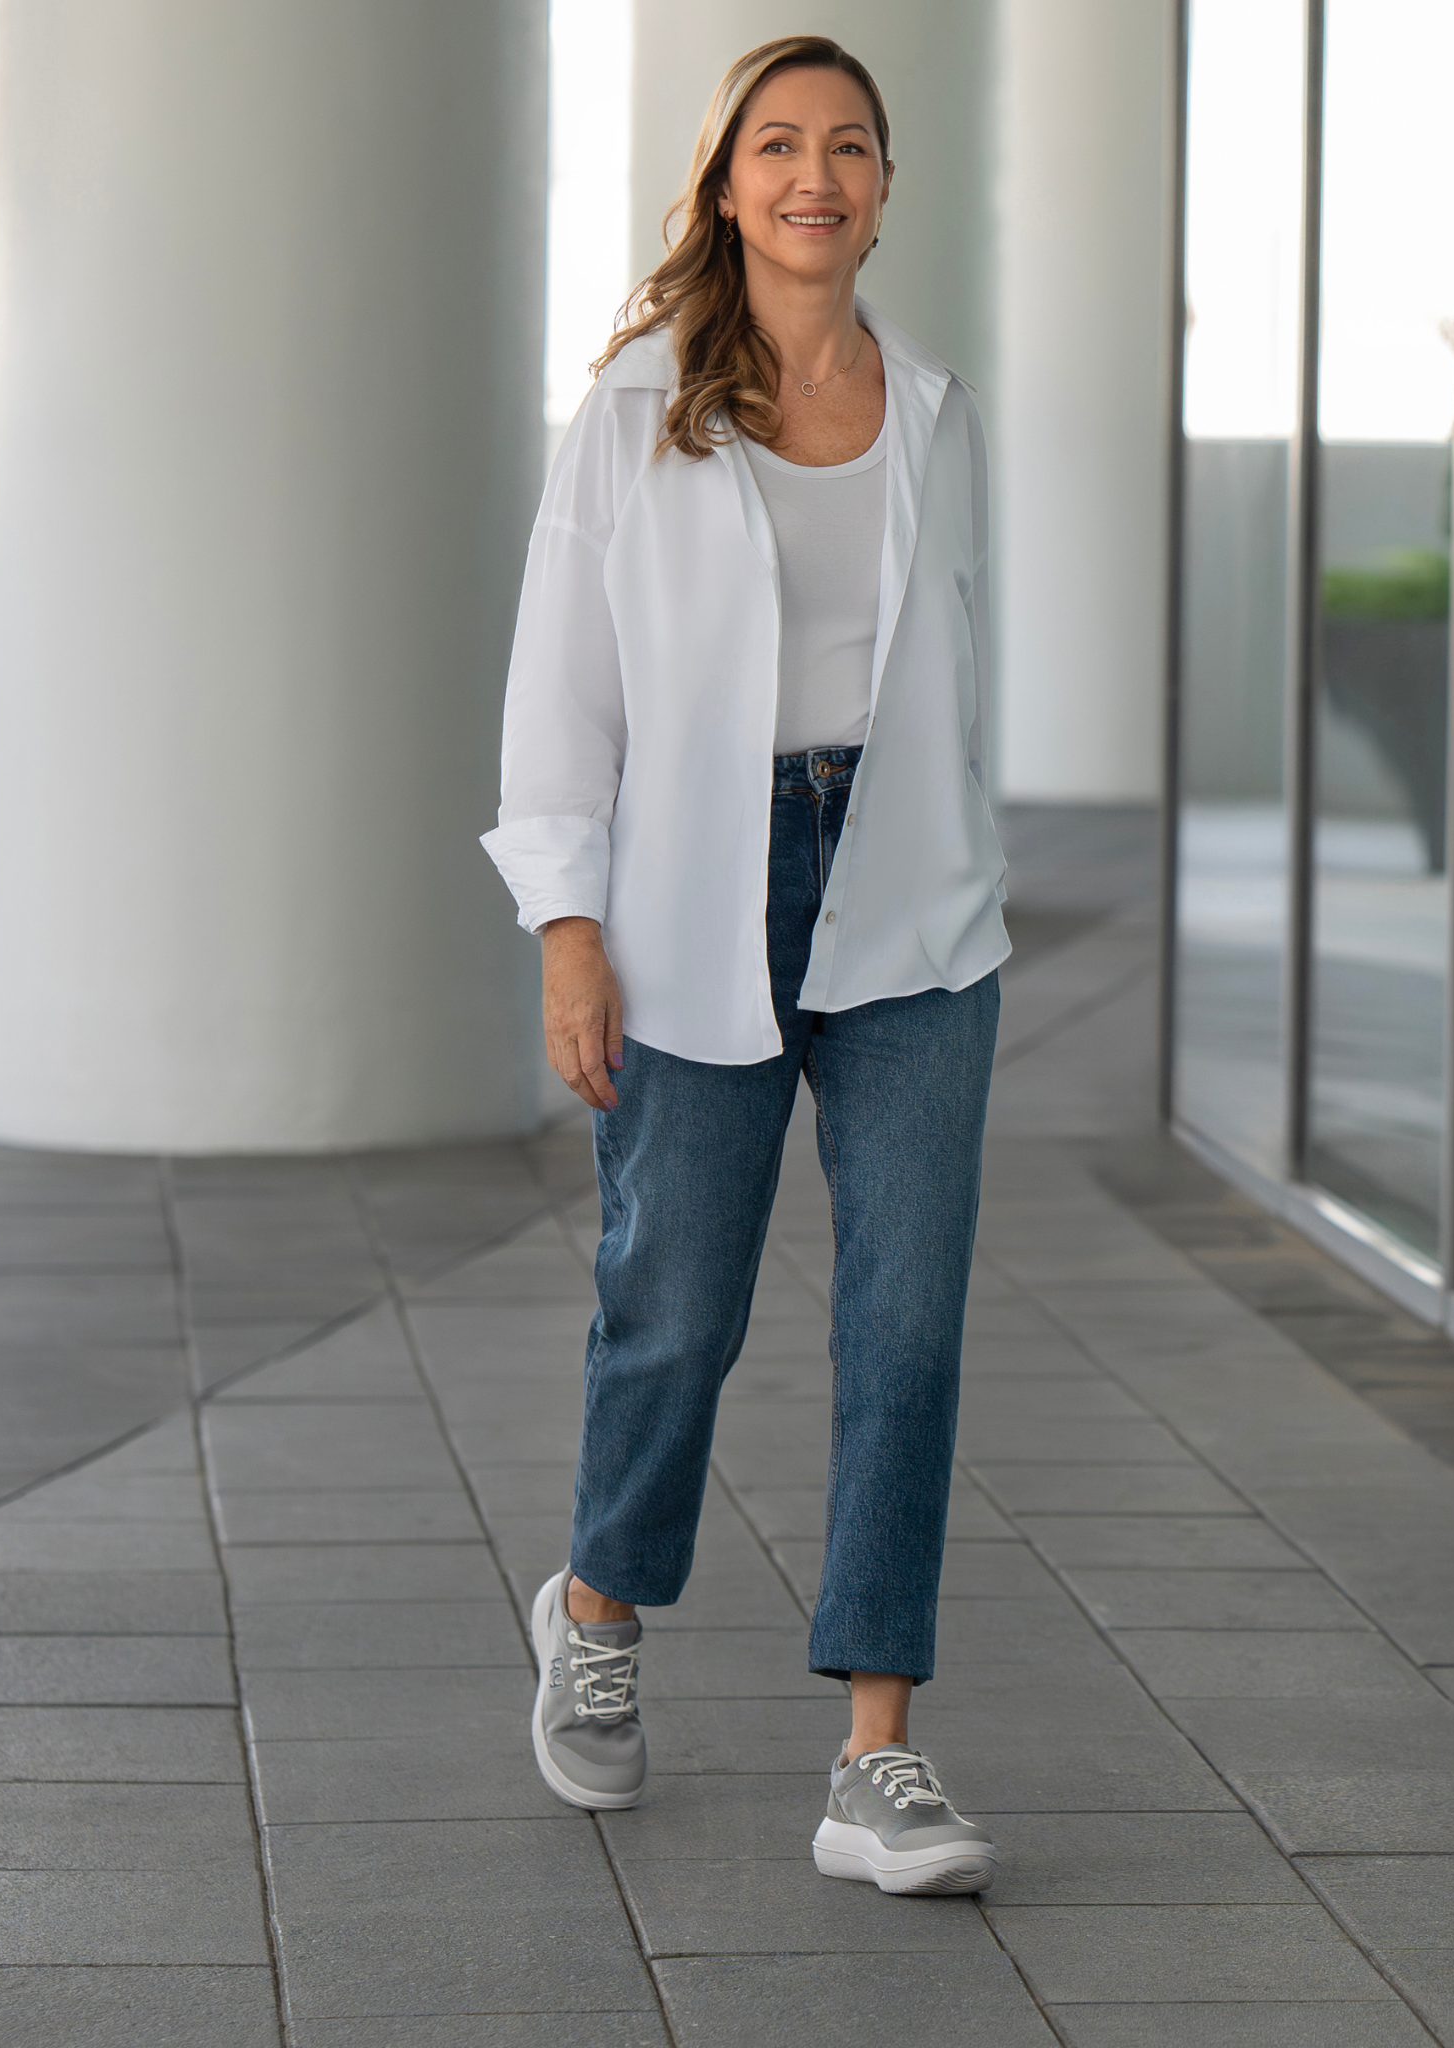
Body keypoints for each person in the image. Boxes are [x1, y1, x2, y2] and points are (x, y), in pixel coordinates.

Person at [482, 34, 1007, 1897]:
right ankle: (598, 1603)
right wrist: (570, 932)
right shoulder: (637, 410)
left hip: (912, 904)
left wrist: (969, 849)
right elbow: (562, 692)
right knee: (677, 1303)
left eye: (848, 146)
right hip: (697, 889)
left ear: (885, 186)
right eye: (777, 145)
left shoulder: (932, 406)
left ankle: (876, 1755)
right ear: (725, 183)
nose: (815, 176)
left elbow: (952, 669)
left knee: (907, 1323)